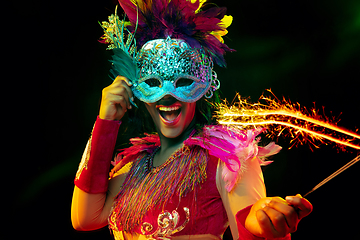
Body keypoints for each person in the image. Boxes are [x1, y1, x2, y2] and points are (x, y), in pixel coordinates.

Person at [71, 1, 313, 239]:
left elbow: (252, 223)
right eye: (153, 83)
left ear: (205, 84)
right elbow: (84, 218)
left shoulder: (227, 161)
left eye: (183, 82)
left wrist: (262, 224)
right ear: (137, 90)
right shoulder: (133, 168)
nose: (167, 95)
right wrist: (106, 121)